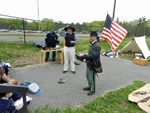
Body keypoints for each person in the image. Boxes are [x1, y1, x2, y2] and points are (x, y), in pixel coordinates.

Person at [77, 31, 101, 95]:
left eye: (91, 36)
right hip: (89, 63)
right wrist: (85, 58)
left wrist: (83, 55)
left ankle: (93, 89)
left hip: (93, 64)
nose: (90, 38)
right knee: (87, 76)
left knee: (92, 77)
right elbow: (90, 54)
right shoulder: (92, 44)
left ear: (95, 37)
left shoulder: (97, 46)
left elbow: (94, 56)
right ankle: (89, 86)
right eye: (90, 36)